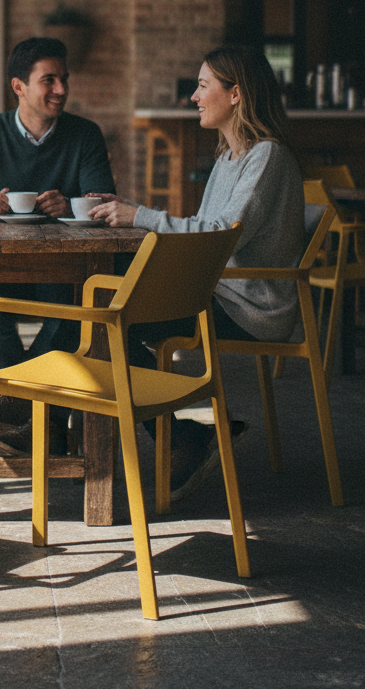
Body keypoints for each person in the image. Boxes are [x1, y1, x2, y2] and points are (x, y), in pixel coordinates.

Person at [89, 44, 305, 500]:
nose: (194, 97)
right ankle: (181, 435)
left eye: (203, 85)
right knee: (104, 312)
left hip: (251, 309)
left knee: (108, 320)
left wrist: (140, 216)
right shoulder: (228, 158)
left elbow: (219, 235)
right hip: (220, 294)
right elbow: (204, 241)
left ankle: (181, 436)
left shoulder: (266, 157)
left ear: (236, 95)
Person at [0, 36, 116, 456]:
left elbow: (104, 201)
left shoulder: (84, 134)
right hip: (4, 268)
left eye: (64, 79)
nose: (61, 90)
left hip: (62, 272)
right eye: (48, 80)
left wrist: (69, 204)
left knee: (77, 305)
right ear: (19, 86)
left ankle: (16, 405)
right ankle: (39, 417)